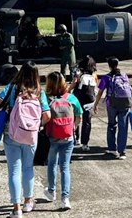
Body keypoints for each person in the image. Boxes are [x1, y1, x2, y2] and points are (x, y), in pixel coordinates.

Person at [0, 61, 51, 218]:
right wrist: (36, 125)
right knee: (28, 168)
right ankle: (28, 202)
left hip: (12, 134)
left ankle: (16, 208)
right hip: (31, 135)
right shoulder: (39, 92)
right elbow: (47, 115)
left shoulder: (13, 88)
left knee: (14, 170)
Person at [43, 71, 83, 210]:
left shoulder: (47, 98)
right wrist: (72, 128)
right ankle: (65, 198)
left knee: (52, 164)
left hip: (53, 137)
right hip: (68, 137)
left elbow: (44, 116)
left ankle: (51, 191)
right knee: (65, 167)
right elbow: (79, 116)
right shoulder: (71, 98)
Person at [93, 57, 132, 160]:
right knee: (123, 127)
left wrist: (96, 104)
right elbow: (130, 89)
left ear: (109, 65)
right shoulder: (124, 75)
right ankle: (122, 152)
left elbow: (100, 92)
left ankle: (112, 148)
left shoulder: (106, 77)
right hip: (125, 103)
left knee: (111, 125)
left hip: (111, 104)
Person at [68, 55, 98, 151]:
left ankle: (77, 138)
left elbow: (74, 83)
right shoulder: (93, 74)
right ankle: (85, 143)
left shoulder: (78, 72)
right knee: (87, 121)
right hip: (90, 99)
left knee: (76, 118)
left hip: (78, 98)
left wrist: (68, 91)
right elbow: (95, 88)